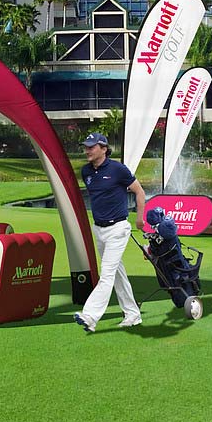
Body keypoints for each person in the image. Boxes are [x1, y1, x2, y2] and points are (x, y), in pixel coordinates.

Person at [74, 132, 146, 332]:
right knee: (117, 274)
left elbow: (139, 192)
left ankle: (90, 316)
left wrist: (140, 218)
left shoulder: (118, 169)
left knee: (106, 274)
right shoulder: (86, 172)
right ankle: (133, 314)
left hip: (118, 229)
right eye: (86, 147)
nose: (87, 150)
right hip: (99, 229)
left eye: (91, 147)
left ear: (104, 149)